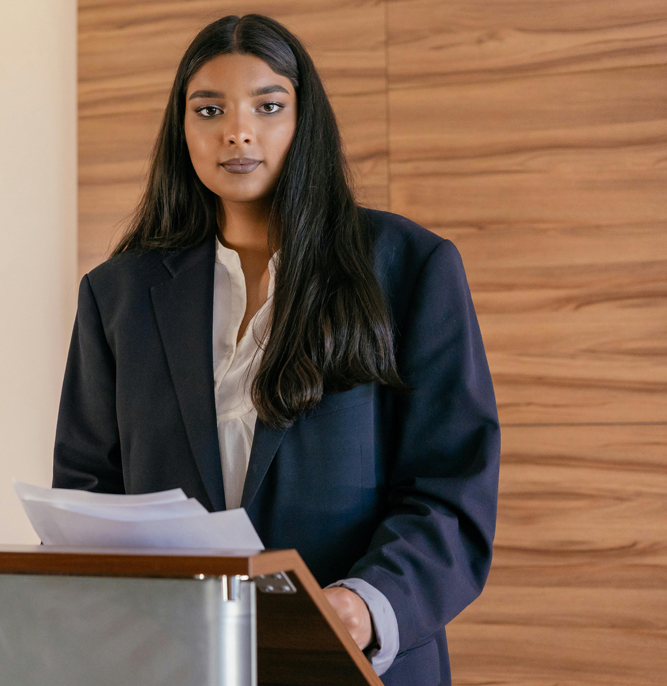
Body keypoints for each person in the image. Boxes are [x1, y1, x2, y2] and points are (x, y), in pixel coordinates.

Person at [52, 14, 499, 686]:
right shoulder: (118, 294)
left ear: (303, 121)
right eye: (210, 110)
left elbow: (451, 492)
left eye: (268, 106)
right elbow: (88, 489)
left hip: (353, 662)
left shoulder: (409, 267)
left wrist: (360, 605)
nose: (238, 130)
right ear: (183, 131)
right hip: (174, 662)